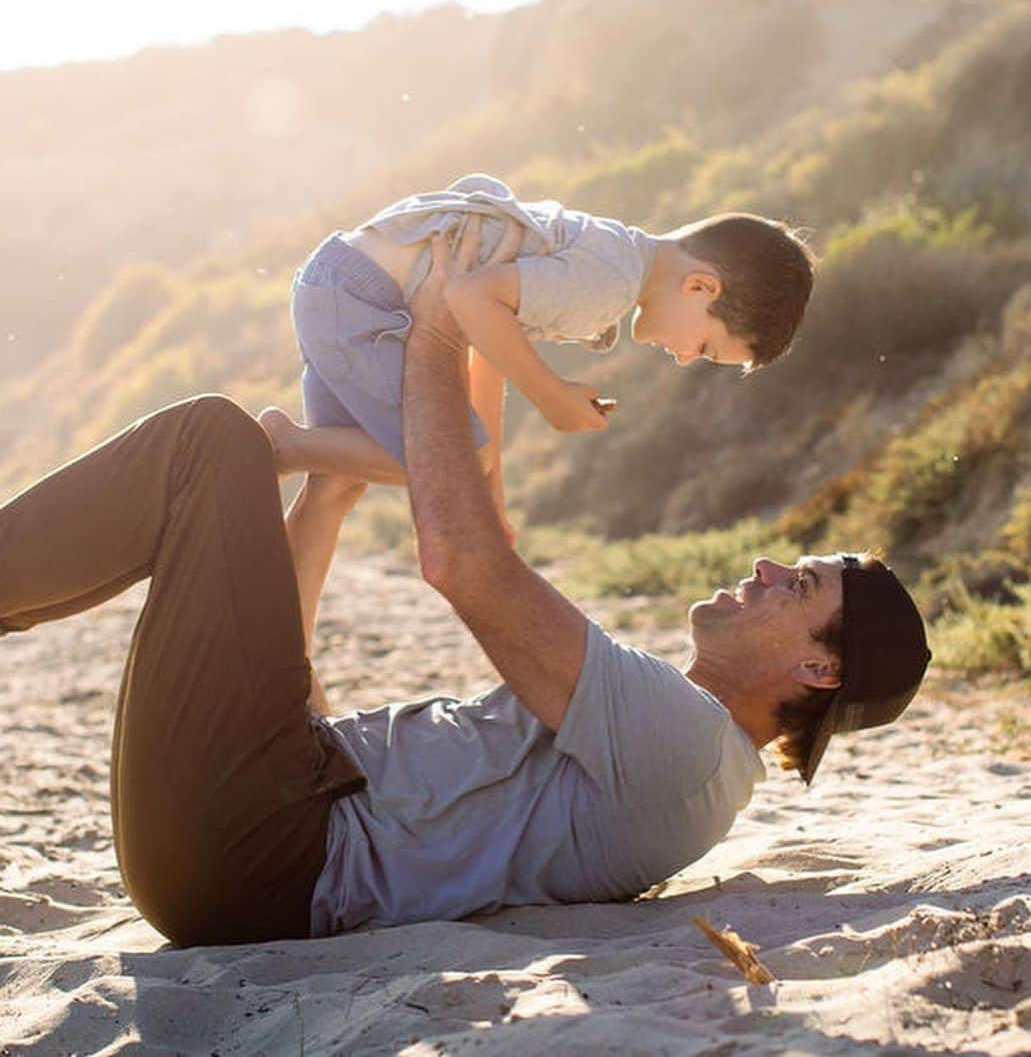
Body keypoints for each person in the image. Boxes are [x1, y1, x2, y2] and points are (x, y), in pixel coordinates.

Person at [0, 227, 928, 948]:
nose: (767, 570)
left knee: (213, 442)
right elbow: (303, 707)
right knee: (217, 451)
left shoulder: (684, 745)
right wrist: (325, 504)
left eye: (800, 585)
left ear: (816, 666)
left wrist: (445, 323)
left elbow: (463, 562)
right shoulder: (666, 745)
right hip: (246, 843)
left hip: (260, 853)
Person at [259, 172, 814, 708]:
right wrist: (550, 397)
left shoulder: (613, 255)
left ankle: (285, 665)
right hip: (366, 300)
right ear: (700, 286)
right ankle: (280, 447)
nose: (689, 358)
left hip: (346, 283)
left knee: (336, 486)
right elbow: (471, 300)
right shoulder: (608, 283)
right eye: (710, 348)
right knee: (448, 459)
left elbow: (485, 348)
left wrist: (492, 489)